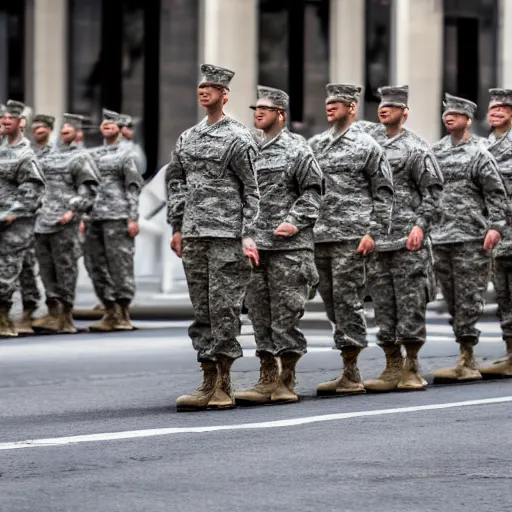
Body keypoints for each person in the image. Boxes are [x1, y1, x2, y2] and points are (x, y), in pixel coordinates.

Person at [166, 64, 260, 412]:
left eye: (211, 87)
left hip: (226, 236)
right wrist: (177, 226)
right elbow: (176, 181)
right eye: (201, 86)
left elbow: (253, 190)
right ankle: (206, 379)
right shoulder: (188, 137)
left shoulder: (238, 137)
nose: (203, 91)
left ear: (224, 94)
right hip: (194, 234)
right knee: (202, 310)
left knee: (224, 309)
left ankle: (223, 383)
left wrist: (247, 234)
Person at [234, 86, 322, 405]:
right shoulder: (246, 148)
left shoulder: (298, 149)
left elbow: (313, 192)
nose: (257, 113)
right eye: (255, 108)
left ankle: (286, 379)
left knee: (285, 315)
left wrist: (295, 220)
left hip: (288, 248)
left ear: (280, 115)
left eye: (265, 109)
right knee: (258, 314)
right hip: (255, 245)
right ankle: (266, 377)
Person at [308, 84, 394, 396]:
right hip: (321, 235)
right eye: (328, 102)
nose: (330, 107)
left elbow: (384, 192)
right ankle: (347, 362)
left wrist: (373, 231)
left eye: (337, 103)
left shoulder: (367, 145)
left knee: (348, 299)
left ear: (352, 108)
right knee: (330, 301)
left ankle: (351, 369)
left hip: (352, 235)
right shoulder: (316, 144)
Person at [364, 85, 444, 392]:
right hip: (378, 239)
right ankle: (391, 365)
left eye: (392, 107)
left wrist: (421, 226)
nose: (384, 110)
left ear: (404, 112)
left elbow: (433, 192)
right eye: (382, 106)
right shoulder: (370, 146)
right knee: (383, 306)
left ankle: (411, 366)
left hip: (407, 240)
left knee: (410, 303)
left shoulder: (416, 148)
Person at [431, 94, 507, 382]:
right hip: (441, 237)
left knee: (469, 297)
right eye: (446, 113)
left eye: (455, 114)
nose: (449, 117)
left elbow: (496, 194)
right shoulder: (435, 152)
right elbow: (427, 193)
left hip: (472, 237)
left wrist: (495, 226)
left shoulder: (480, 152)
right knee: (450, 298)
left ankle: (468, 357)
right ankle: (463, 354)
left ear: (468, 119)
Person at [31, 114, 100, 334]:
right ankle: (53, 310)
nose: (65, 130)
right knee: (45, 268)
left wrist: (73, 210)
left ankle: (66, 314)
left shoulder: (80, 157)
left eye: (70, 127)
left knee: (65, 267)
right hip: (42, 219)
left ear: (78, 132)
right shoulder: (47, 156)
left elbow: (89, 189)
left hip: (64, 220)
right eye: (63, 127)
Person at [83, 109, 143, 332]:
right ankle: (109, 309)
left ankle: (122, 311)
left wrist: (133, 217)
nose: (106, 125)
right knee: (95, 264)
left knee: (120, 264)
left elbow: (133, 187)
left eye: (111, 122)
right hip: (93, 215)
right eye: (104, 122)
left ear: (120, 127)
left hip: (118, 215)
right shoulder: (94, 154)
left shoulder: (128, 154)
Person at [0, 100, 45, 337]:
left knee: (5, 272)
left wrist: (10, 214)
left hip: (13, 224)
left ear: (21, 123)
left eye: (10, 119)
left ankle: (4, 319)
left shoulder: (25, 155)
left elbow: (32, 190)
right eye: (2, 118)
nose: (5, 122)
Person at [13, 113, 56, 334]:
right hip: (11, 214)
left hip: (31, 215)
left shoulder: (29, 152)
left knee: (27, 264)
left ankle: (30, 309)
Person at [479, 88, 512, 377]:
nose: (496, 112)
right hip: (497, 232)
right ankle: (510, 353)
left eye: (502, 108)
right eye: (492, 109)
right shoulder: (483, 146)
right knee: (503, 295)